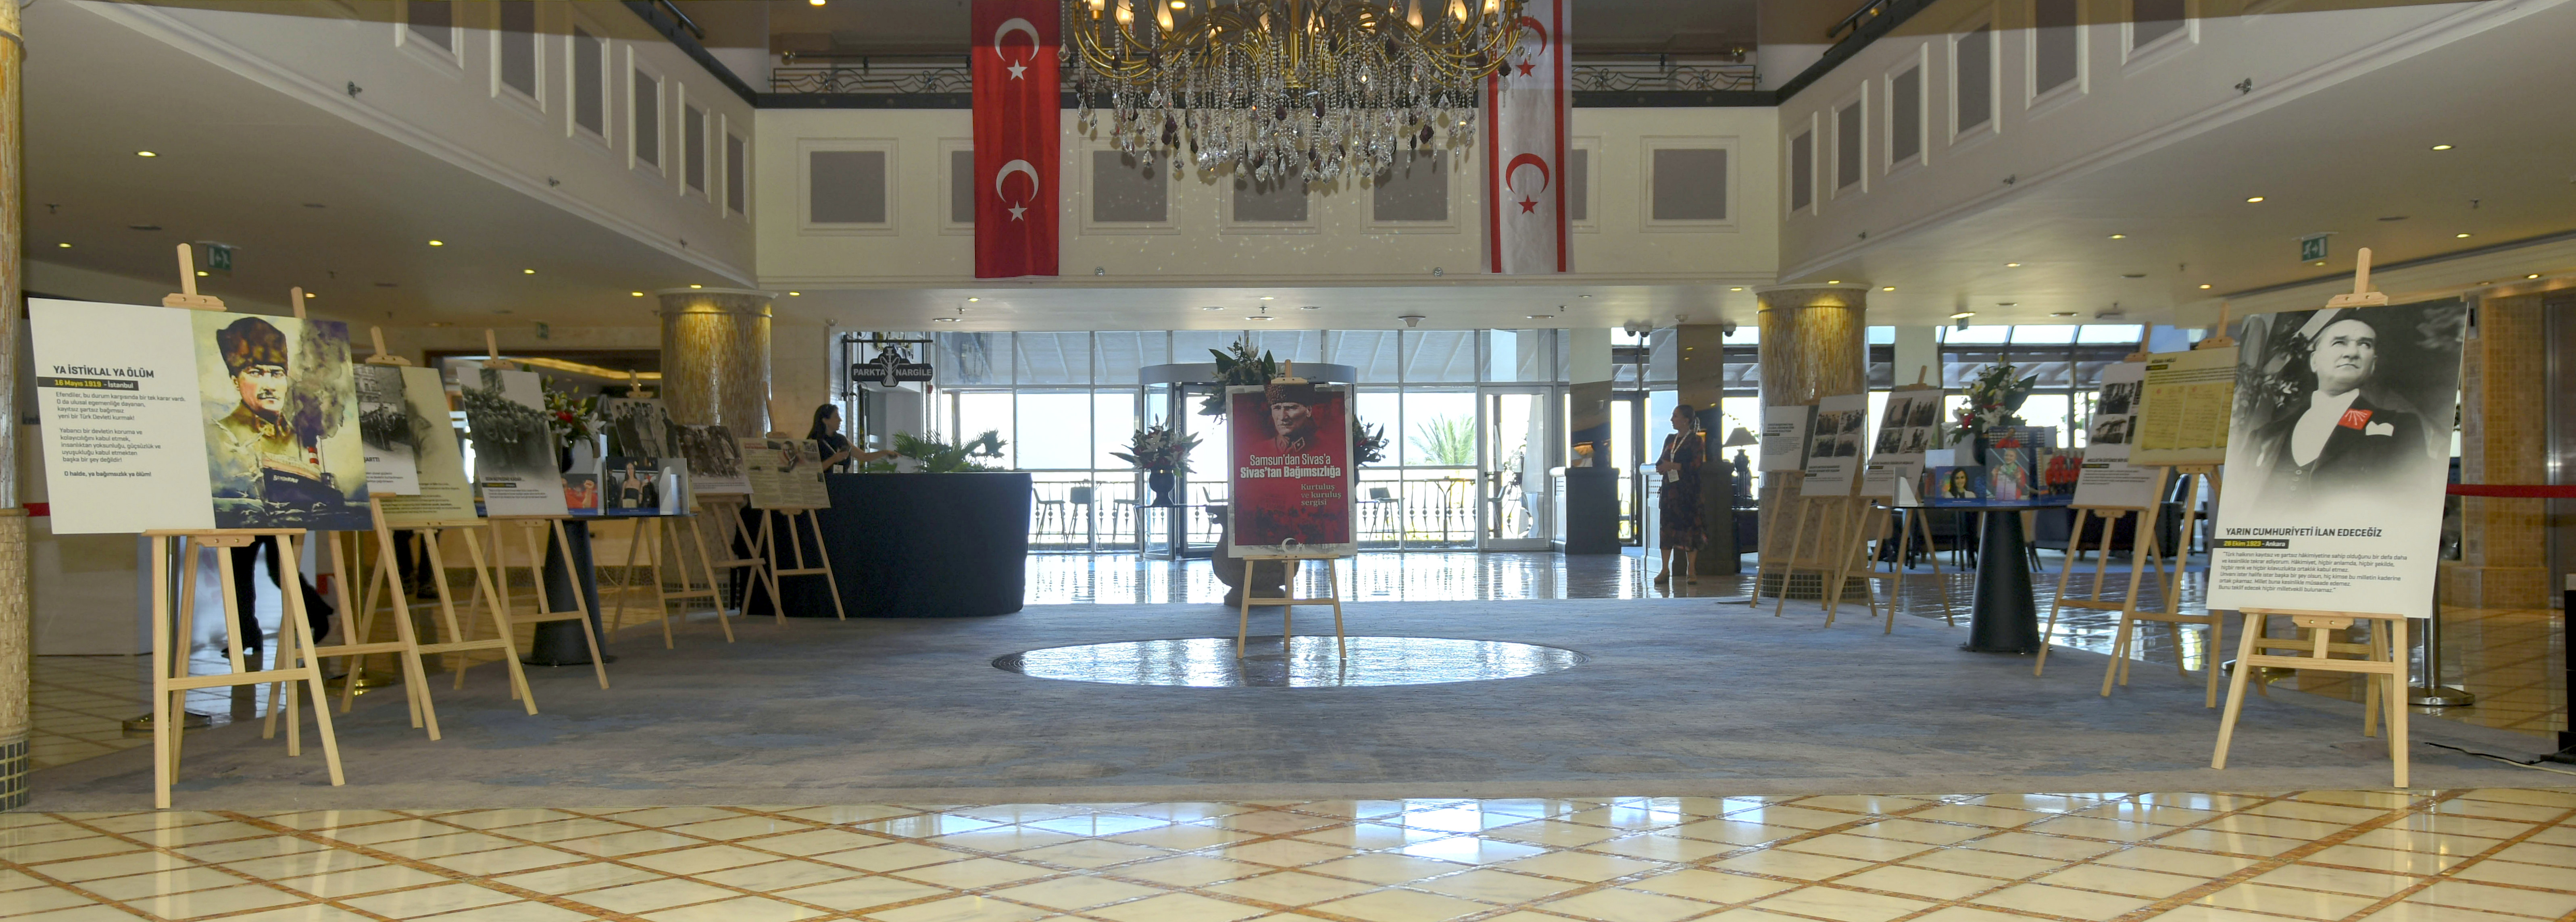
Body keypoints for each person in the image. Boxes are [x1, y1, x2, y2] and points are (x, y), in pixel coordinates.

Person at [2245, 314, 2434, 507]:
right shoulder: (2265, 436)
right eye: (2339, 343)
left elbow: (2412, 504)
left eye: (2365, 345)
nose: (2352, 353)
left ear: (2373, 365)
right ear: (2315, 361)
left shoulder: (2400, 427)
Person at [1654, 404, 1708, 587]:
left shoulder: (1696, 441)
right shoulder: (1670, 439)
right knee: (1667, 528)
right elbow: (1662, 459)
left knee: (1690, 528)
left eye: (1675, 416)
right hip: (1670, 492)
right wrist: (1662, 467)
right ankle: (1665, 570)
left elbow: (1696, 465)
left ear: (1686, 420)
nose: (1672, 420)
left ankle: (1691, 570)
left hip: (1689, 492)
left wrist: (1674, 466)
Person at [809, 404, 898, 473]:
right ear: (825, 421)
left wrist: (885, 452)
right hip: (822, 487)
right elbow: (811, 470)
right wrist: (833, 459)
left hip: (843, 484)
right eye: (836, 417)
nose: (840, 420)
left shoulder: (841, 440)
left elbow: (864, 457)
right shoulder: (813, 441)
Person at [1261, 382, 1323, 454]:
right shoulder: (1258, 451)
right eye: (1277, 408)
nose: (1282, 417)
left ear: (1308, 411)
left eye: (1291, 408)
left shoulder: (1325, 450)